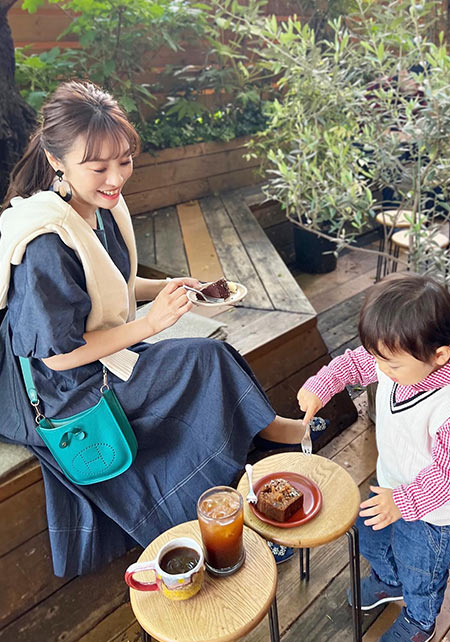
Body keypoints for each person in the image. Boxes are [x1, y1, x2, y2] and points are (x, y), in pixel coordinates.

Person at [0, 81, 306, 577]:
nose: (115, 177)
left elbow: (112, 282)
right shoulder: (43, 243)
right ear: (57, 160)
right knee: (203, 361)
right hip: (64, 388)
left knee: (206, 360)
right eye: (98, 167)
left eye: (124, 161)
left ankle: (263, 442)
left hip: (99, 354)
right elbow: (56, 354)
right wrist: (150, 323)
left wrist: (172, 286)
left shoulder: (95, 207)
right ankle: (233, 493)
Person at [298, 273, 450, 642]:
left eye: (390, 365)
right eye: (377, 358)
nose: (379, 369)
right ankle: (388, 581)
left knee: (421, 571)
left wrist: (403, 502)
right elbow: (353, 363)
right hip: (389, 482)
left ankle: (420, 621)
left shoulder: (444, 406)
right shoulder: (396, 362)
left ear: (440, 356)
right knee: (371, 539)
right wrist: (321, 385)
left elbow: (446, 477)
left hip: (430, 514)